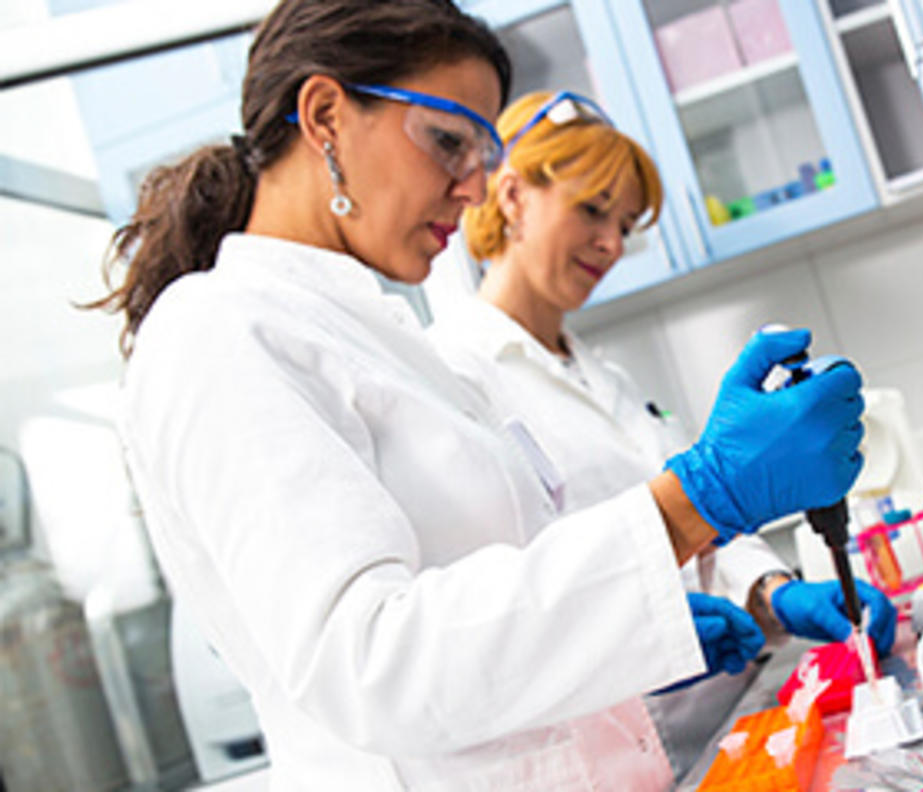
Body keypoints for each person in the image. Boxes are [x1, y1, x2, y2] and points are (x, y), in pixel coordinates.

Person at [84, 1, 865, 789]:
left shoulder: (386, 339)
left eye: (482, 153)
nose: (475, 186)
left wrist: (636, 632)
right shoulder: (220, 332)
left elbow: (500, 602)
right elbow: (371, 663)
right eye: (450, 142)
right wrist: (694, 500)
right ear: (325, 116)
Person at [428, 91, 897, 775]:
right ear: (510, 195)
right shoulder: (456, 377)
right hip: (625, 751)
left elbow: (692, 526)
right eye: (592, 210)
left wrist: (774, 592)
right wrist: (633, 638)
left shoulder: (605, 378)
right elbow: (512, 606)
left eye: (625, 224)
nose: (613, 244)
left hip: (733, 724)